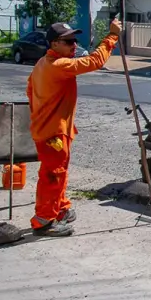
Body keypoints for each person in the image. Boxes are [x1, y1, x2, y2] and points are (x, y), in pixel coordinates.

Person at [26, 19, 122, 237]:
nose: (73, 45)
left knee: (58, 174)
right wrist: (112, 36)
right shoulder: (58, 66)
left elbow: (29, 91)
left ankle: (59, 208)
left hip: (50, 130)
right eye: (68, 41)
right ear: (54, 44)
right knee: (53, 176)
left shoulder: (42, 64)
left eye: (74, 40)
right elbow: (95, 61)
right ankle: (44, 221)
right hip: (53, 133)